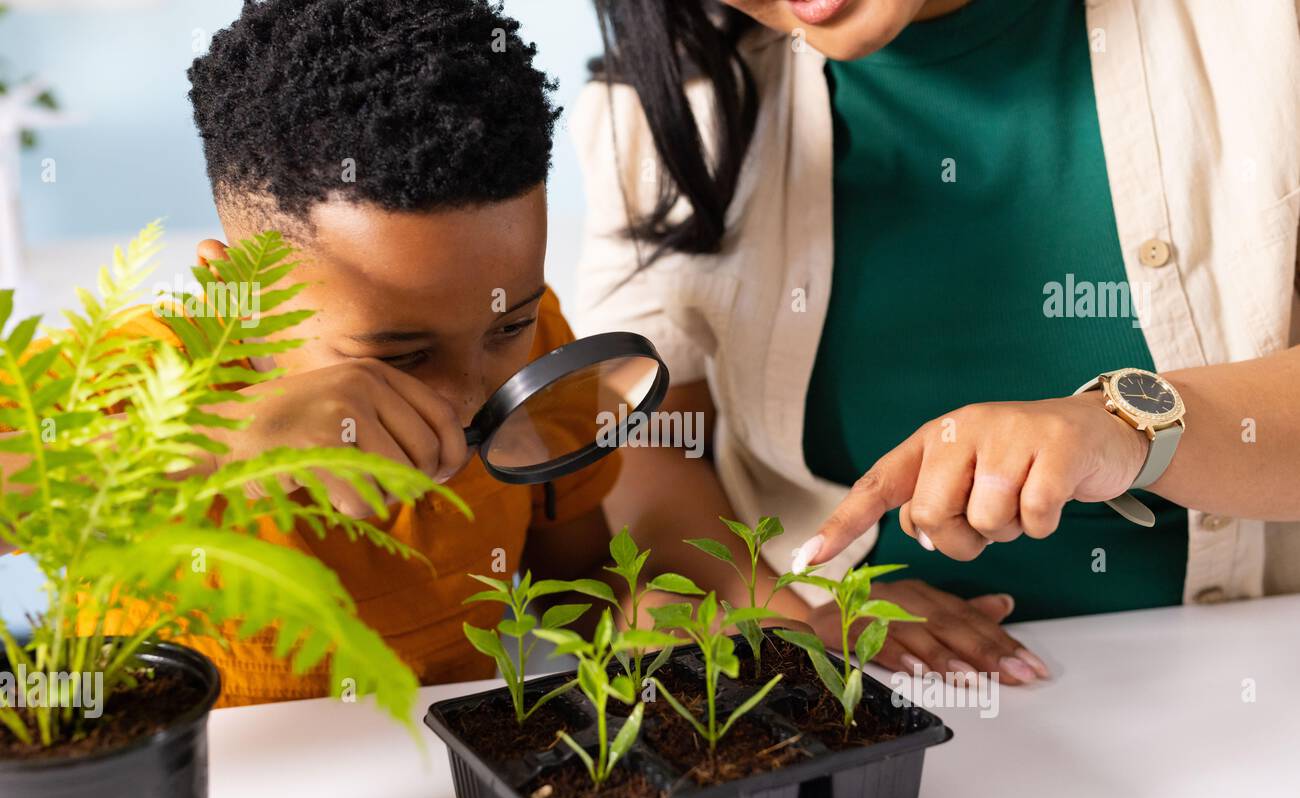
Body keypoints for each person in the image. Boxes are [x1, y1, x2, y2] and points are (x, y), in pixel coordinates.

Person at [574, 0, 1300, 685]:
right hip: (880, 708)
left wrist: (1124, 425)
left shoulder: (1259, 28)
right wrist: (799, 621)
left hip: (1249, 680)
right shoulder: (662, 108)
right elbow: (651, 447)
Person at [2, 0, 622, 705]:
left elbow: (587, 586)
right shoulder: (132, 378)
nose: (466, 399)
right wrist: (218, 440)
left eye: (506, 325)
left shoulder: (543, 357)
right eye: (403, 354)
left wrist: (653, 618)